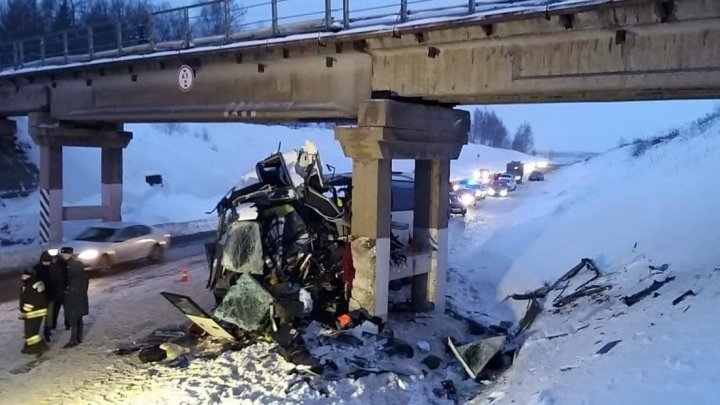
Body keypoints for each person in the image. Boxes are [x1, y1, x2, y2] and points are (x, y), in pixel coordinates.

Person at [60, 247, 89, 348]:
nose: (64, 256)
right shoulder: (81, 274)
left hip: (72, 298)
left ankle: (73, 340)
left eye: (65, 254)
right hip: (78, 298)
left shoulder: (70, 268)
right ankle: (78, 338)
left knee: (73, 319)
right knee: (78, 318)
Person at [35, 251, 67, 341]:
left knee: (49, 316)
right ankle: (36, 332)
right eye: (45, 262)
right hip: (40, 298)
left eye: (48, 262)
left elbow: (59, 281)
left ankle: (47, 332)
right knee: (39, 316)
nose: (46, 264)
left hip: (51, 297)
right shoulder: (37, 269)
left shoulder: (54, 268)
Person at [19, 267, 49, 356]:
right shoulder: (36, 282)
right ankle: (31, 348)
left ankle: (42, 347)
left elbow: (30, 300)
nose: (22, 276)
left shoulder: (29, 285)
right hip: (38, 311)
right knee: (31, 332)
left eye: (23, 275)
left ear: (28, 276)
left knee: (30, 333)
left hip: (33, 312)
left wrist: (24, 311)